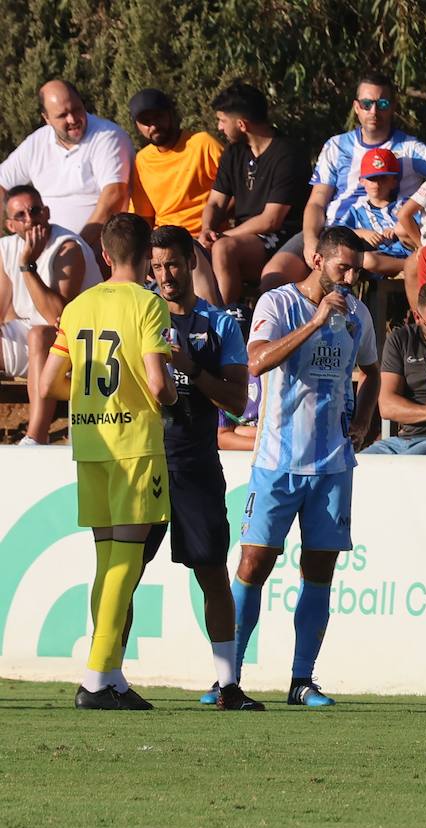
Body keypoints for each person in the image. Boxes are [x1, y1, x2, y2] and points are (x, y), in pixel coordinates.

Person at [230, 226, 380, 707]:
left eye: (357, 269)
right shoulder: (276, 304)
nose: (351, 277)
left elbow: (372, 371)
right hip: (277, 459)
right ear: (317, 260)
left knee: (319, 571)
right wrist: (315, 323)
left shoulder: (358, 313)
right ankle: (227, 678)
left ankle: (301, 680)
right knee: (254, 564)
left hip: (333, 463)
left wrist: (363, 419)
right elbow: (256, 363)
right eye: (344, 267)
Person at [38, 213, 176, 709]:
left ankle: (111, 674)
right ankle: (95, 678)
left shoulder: (77, 307)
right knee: (127, 560)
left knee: (106, 560)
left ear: (104, 253)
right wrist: (170, 396)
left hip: (92, 444)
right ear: (147, 257)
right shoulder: (149, 305)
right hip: (135, 443)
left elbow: (48, 383)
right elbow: (159, 384)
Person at [133, 225, 259, 710]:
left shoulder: (219, 324)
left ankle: (228, 685)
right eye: (156, 265)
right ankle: (108, 679)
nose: (164, 275)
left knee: (211, 573)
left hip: (195, 462)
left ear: (191, 263)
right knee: (126, 571)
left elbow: (237, 399)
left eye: (172, 264)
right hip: (143, 459)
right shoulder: (139, 315)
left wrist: (188, 368)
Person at [259, 72, 426, 291]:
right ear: (356, 106)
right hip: (332, 230)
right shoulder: (336, 147)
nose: (374, 111)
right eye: (366, 103)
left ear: (393, 106)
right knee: (272, 277)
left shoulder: (411, 150)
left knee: (335, 272)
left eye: (382, 103)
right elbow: (316, 202)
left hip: (384, 240)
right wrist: (310, 240)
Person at [0, 185, 102, 444]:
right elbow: (3, 309)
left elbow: (58, 315)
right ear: (11, 225)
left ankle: (36, 435)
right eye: (21, 215)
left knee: (39, 335)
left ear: (46, 212)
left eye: (34, 211)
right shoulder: (5, 248)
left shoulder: (68, 248)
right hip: (33, 335)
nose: (30, 219)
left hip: (81, 338)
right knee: (34, 335)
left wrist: (27, 265)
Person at [199, 84, 311, 305]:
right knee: (195, 249)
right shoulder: (234, 152)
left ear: (241, 124)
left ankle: (223, 321)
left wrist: (224, 237)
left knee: (223, 248)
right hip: (245, 237)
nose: (219, 127)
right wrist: (207, 230)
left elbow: (272, 219)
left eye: (222, 120)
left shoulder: (288, 154)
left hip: (282, 237)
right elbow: (215, 202)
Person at [0, 80, 133, 254]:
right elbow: (2, 183)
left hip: (97, 251)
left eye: (77, 109)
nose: (72, 119)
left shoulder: (107, 136)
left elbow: (114, 197)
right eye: (63, 115)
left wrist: (77, 248)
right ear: (46, 118)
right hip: (44, 252)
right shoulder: (37, 142)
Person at [362, 279, 426, 455]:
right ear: (417, 316)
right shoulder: (401, 339)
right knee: (363, 462)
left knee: (413, 460)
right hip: (403, 439)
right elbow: (387, 405)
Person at [128, 89, 222, 237]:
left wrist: (213, 224)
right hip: (164, 241)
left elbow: (237, 189)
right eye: (145, 121)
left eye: (158, 116)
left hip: (205, 237)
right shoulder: (141, 160)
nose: (153, 126)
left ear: (171, 114)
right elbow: (144, 217)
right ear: (137, 126)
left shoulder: (202, 143)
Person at [339, 147, 410, 276]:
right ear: (362, 181)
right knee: (366, 259)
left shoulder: (405, 204)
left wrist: (397, 229)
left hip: (406, 252)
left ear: (394, 182)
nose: (376, 184)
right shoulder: (357, 211)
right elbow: (339, 233)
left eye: (383, 178)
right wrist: (362, 233)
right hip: (377, 260)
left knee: (403, 229)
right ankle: (409, 267)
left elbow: (419, 226)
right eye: (372, 179)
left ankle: (411, 265)